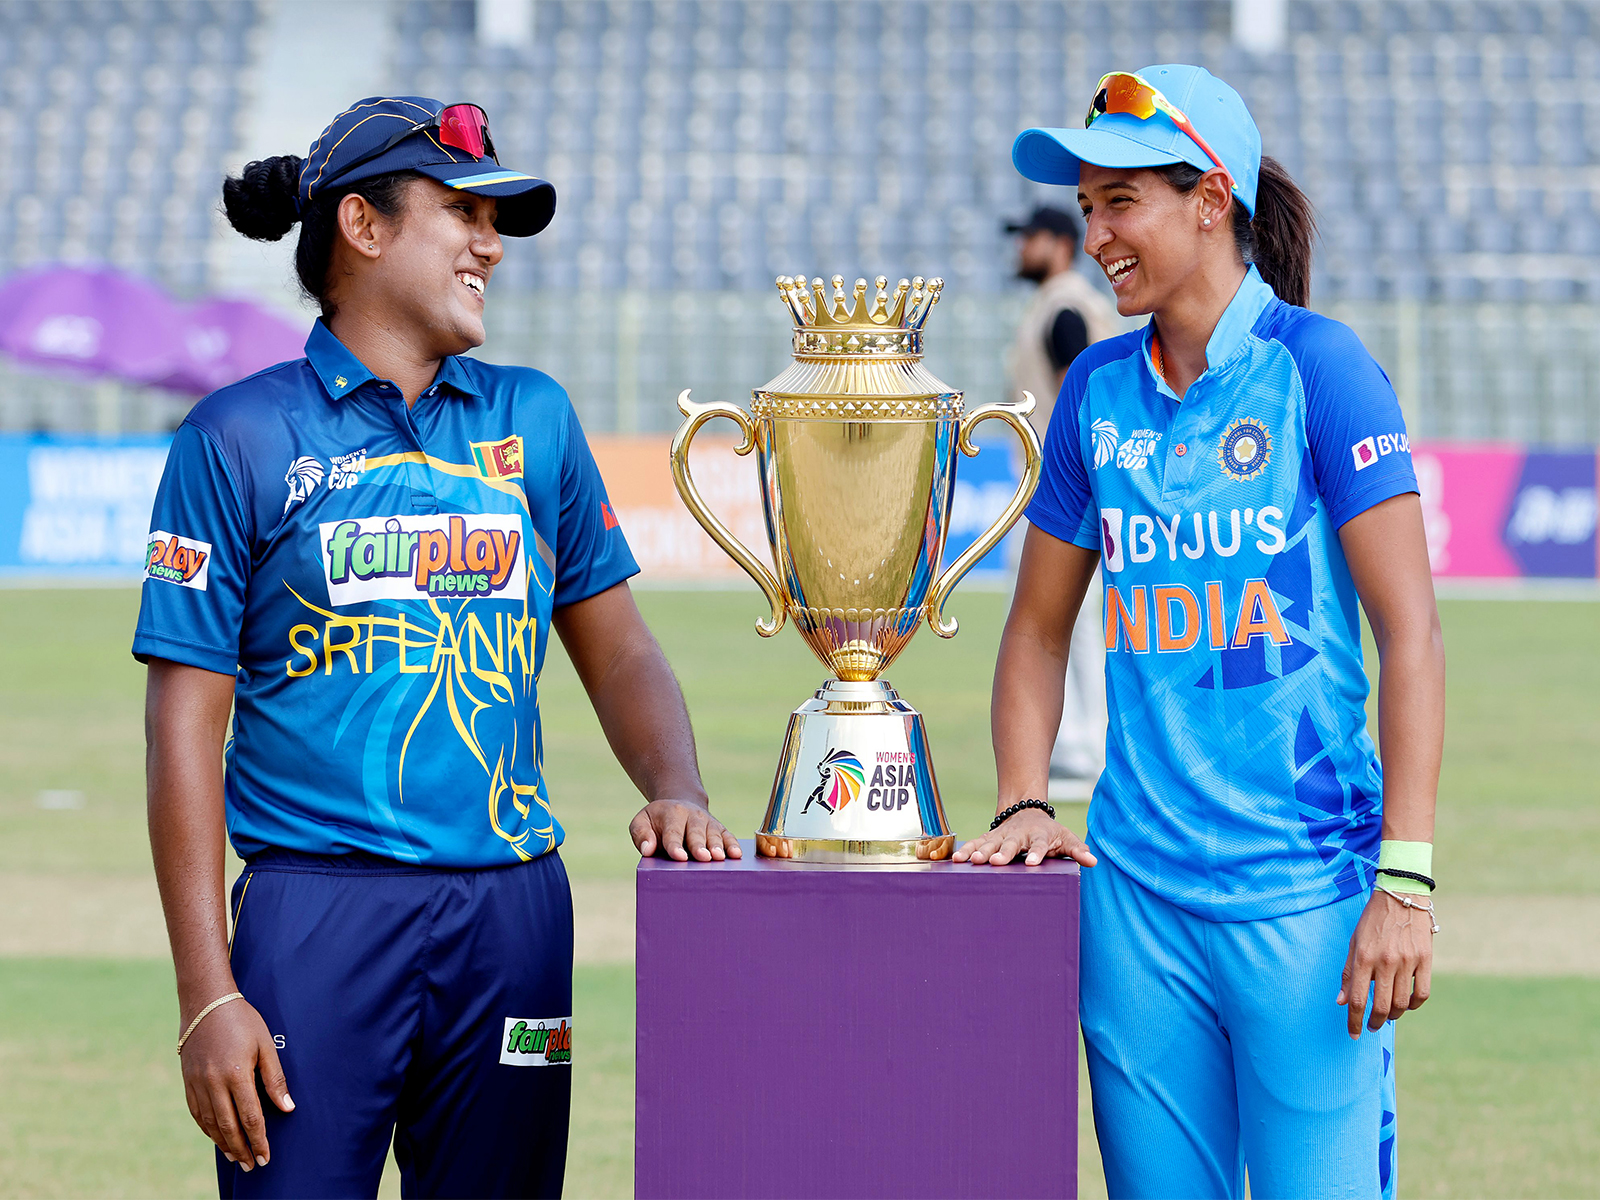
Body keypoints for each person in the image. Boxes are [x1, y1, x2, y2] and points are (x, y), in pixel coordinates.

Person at [136, 97, 739, 1200]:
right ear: (362, 226)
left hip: (514, 918)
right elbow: (184, 723)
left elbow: (618, 650)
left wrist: (676, 782)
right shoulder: (235, 435)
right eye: (460, 210)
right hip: (313, 919)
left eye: (494, 218)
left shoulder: (537, 417)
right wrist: (208, 994)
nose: (489, 244)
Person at [956, 66, 1443, 1200]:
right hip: (1137, 917)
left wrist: (1405, 883)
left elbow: (1409, 636)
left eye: (1119, 202)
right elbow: (1034, 633)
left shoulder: (1321, 372)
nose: (1096, 234)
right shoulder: (1093, 391)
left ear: (1208, 200)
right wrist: (1024, 797)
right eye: (1085, 209)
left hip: (1310, 912)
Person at [1002, 205, 1120, 799]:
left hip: (1065, 490)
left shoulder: (1065, 309)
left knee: (1068, 621)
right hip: (1066, 489)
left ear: (1057, 244)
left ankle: (1088, 743)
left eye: (1028, 238)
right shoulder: (1060, 304)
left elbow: (1081, 398)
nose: (1020, 248)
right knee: (1066, 622)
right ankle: (1078, 739)